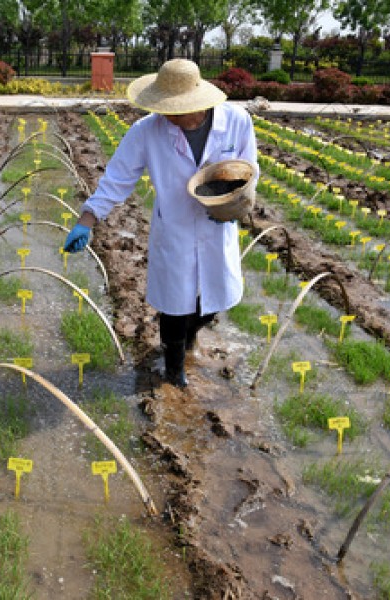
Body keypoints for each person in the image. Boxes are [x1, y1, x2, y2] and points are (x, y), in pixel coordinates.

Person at [63, 58, 259, 388]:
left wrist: (235, 203)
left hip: (217, 224)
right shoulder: (147, 131)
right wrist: (87, 219)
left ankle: (191, 335)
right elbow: (117, 179)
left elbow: (248, 169)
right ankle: (173, 369)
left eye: (174, 108)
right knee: (174, 304)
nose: (166, 114)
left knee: (214, 298)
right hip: (175, 228)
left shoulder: (236, 121)